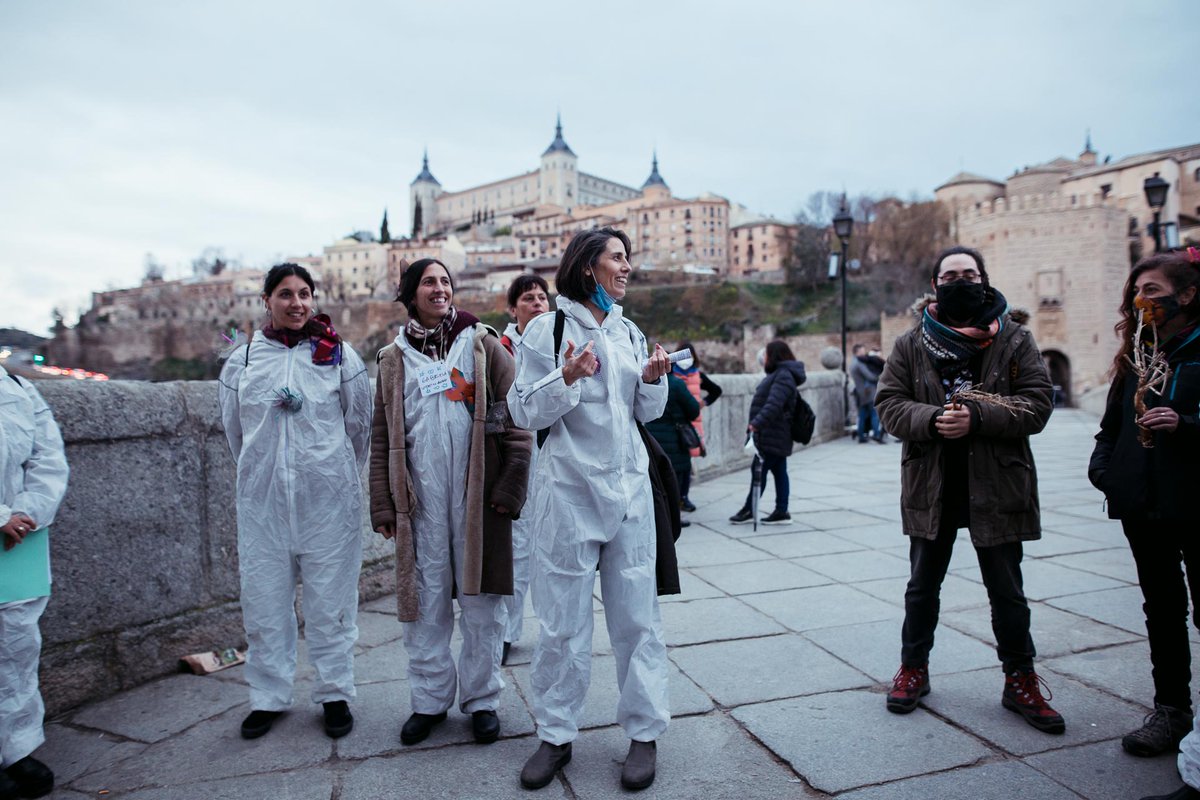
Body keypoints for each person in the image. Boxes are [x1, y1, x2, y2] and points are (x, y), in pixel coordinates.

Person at [507, 227, 672, 792]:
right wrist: (567, 375)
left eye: (628, 258)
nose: (627, 268)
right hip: (568, 494)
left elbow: (643, 413)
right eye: (617, 259)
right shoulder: (544, 331)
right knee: (560, 624)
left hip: (627, 493)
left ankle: (644, 732)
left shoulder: (629, 330)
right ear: (587, 268)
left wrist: (653, 381)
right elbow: (523, 409)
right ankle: (555, 735)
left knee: (638, 619)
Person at [875, 245, 1063, 734]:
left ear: (984, 278)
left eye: (969, 273)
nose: (960, 281)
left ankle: (1019, 678)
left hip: (998, 481)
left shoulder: (1015, 339)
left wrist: (978, 416)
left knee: (1008, 591)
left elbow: (1039, 404)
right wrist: (935, 420)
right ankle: (913, 669)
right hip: (932, 482)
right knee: (922, 588)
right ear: (935, 285)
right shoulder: (910, 344)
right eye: (950, 275)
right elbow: (890, 405)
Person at [370, 258, 532, 747]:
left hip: (477, 499)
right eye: (428, 283)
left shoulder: (481, 346)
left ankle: (482, 701)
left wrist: (510, 487)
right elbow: (381, 437)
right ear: (409, 293)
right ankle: (429, 702)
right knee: (425, 606)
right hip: (420, 506)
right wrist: (383, 502)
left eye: (445, 281)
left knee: (483, 606)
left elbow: (518, 418)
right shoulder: (392, 360)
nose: (439, 289)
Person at [218, 263, 373, 741]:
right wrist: (263, 474)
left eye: (305, 294)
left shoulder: (340, 357)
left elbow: (359, 426)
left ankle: (334, 693)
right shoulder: (242, 362)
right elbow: (235, 434)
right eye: (285, 294)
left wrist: (331, 474)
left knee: (332, 605)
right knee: (265, 604)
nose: (297, 303)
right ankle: (269, 695)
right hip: (264, 507)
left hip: (328, 503)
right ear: (266, 300)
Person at [1089, 248, 1200, 762]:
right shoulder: (1137, 353)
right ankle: (1172, 711)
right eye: (1137, 292)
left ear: (1188, 293)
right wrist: (1106, 473)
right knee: (1162, 610)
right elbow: (1110, 426)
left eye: (1152, 290)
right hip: (1142, 503)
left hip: (1196, 499)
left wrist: (1187, 426)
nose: (1141, 301)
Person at [0, 364, 69, 799]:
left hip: (17, 541)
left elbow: (49, 456)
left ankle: (16, 748)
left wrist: (27, 511)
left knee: (17, 646)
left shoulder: (18, 387)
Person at [498, 273, 550, 665]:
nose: (537, 303)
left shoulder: (561, 341)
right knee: (514, 550)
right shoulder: (499, 349)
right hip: (515, 459)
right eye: (529, 298)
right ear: (512, 309)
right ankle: (506, 631)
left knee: (553, 552)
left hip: (556, 459)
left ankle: (556, 630)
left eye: (542, 297)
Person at [728, 340, 805, 526]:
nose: (764, 357)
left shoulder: (783, 375)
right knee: (779, 471)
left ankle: (749, 509)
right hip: (776, 433)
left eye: (767, 354)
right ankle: (781, 511)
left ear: (774, 355)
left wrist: (755, 424)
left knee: (759, 471)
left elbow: (774, 404)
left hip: (772, 433)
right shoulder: (782, 374)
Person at [645, 368, 700, 528]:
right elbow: (693, 410)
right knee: (674, 481)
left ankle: (658, 517)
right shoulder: (676, 384)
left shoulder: (644, 381)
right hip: (675, 441)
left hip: (652, 439)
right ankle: (673, 518)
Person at [671, 341, 722, 512]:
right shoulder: (671, 375)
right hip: (674, 421)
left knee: (687, 461)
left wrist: (703, 402)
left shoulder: (698, 375)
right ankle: (677, 498)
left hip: (692, 423)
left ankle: (683, 497)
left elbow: (716, 390)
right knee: (678, 462)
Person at [850, 343, 885, 443]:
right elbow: (869, 376)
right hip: (868, 392)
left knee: (862, 415)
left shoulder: (852, 363)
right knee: (875, 414)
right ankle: (877, 435)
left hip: (860, 393)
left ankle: (861, 436)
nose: (864, 353)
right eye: (862, 351)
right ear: (857, 352)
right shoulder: (859, 363)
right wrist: (879, 377)